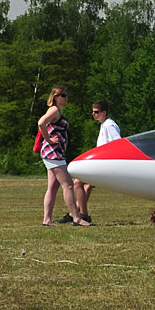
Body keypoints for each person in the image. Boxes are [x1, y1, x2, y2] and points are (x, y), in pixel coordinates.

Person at [38, 86, 91, 227]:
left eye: (67, 95)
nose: (66, 98)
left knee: (53, 187)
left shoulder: (57, 110)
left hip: (55, 153)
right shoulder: (54, 110)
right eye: (63, 95)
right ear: (55, 97)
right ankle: (76, 218)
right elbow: (41, 122)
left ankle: (47, 220)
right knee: (67, 185)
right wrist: (49, 139)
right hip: (53, 153)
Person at [68, 100, 121, 224]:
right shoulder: (104, 124)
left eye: (96, 112)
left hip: (105, 164)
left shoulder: (109, 125)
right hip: (100, 162)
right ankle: (74, 213)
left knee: (77, 183)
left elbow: (117, 144)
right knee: (87, 185)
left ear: (104, 112)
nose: (93, 114)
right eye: (92, 111)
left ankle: (83, 215)